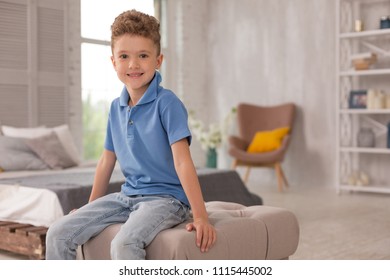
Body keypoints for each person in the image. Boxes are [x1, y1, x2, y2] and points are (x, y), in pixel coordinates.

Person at [46, 9, 216, 260]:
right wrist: (90, 207)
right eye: (124, 56)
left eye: (143, 56)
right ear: (113, 62)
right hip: (127, 197)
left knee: (123, 244)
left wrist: (200, 216)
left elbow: (183, 161)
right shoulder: (116, 107)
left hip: (167, 200)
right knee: (57, 233)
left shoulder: (167, 103)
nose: (133, 65)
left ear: (158, 61)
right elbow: (106, 161)